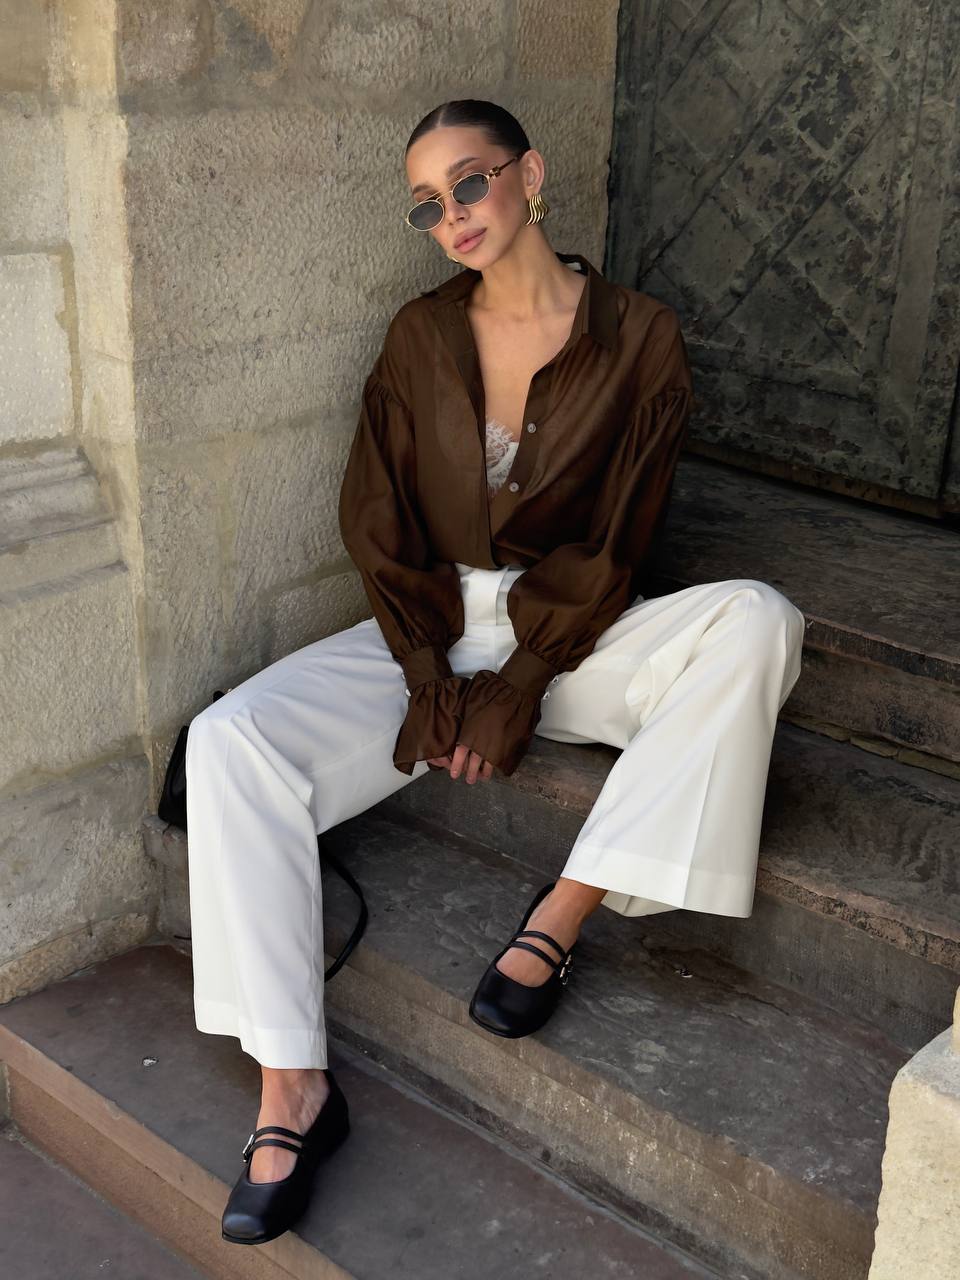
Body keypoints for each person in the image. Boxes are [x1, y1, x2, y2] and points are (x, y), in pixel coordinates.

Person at [184, 98, 806, 1246]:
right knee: (230, 739)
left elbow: (621, 535)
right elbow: (375, 518)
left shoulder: (640, 335)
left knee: (757, 621)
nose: (454, 215)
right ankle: (291, 1089)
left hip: (574, 630)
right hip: (426, 625)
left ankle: (561, 914)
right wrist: (432, 679)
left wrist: (519, 683)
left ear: (530, 173)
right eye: (428, 204)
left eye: (470, 182)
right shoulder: (419, 335)